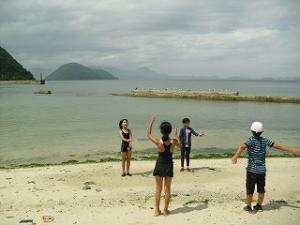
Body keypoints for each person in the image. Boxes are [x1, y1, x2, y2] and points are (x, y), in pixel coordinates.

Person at [231, 121, 300, 212]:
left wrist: (235, 156)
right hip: (262, 171)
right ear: (262, 132)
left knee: (250, 189)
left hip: (251, 171)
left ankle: (248, 206)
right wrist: (293, 151)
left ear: (251, 130)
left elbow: (241, 146)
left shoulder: (251, 140)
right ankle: (259, 206)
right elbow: (278, 146)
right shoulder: (264, 140)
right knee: (261, 189)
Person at [147, 115, 180, 216]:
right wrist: (176, 135)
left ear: (161, 131)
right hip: (169, 165)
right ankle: (165, 210)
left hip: (160, 165)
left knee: (158, 189)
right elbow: (181, 146)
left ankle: (157, 211)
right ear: (169, 131)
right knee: (167, 189)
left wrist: (151, 122)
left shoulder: (159, 142)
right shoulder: (173, 142)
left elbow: (148, 134)